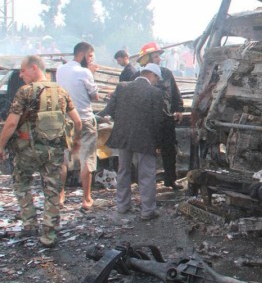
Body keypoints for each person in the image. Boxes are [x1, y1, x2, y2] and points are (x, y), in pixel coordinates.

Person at [0, 56, 82, 247]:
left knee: (21, 184)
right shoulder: (61, 91)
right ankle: (49, 235)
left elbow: (11, 123)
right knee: (52, 191)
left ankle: (29, 223)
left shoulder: (25, 92)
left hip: (26, 151)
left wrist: (1, 146)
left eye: (22, 71)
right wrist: (75, 143)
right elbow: (77, 122)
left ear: (34, 68)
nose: (20, 76)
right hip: (53, 152)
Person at [101, 63, 169, 220]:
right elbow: (158, 121)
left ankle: (123, 206)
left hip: (123, 136)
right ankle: (148, 211)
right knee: (146, 174)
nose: (156, 82)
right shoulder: (155, 92)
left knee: (123, 171)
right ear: (152, 75)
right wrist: (159, 143)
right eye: (156, 79)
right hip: (146, 139)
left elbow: (109, 111)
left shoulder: (122, 86)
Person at [135, 42, 184, 190]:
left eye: (158, 56)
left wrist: (179, 109)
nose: (159, 59)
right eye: (155, 56)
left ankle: (170, 180)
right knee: (146, 152)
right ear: (147, 59)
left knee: (169, 150)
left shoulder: (166, 73)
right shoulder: (138, 77)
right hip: (147, 121)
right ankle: (144, 182)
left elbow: (174, 92)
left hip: (166, 118)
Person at [56, 41, 99, 209]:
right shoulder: (84, 72)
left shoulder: (60, 70)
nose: (90, 60)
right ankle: (86, 199)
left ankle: (60, 197)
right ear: (81, 55)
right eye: (89, 56)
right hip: (85, 119)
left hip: (64, 120)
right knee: (86, 159)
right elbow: (94, 96)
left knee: (64, 159)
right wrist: (91, 73)